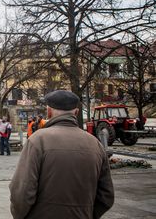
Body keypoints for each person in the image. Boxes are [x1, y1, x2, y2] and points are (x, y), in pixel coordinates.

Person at [10, 90, 114, 219]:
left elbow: (22, 191)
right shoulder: (96, 144)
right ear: (76, 113)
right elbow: (107, 195)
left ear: (49, 112)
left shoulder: (38, 140)